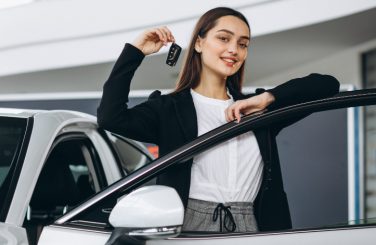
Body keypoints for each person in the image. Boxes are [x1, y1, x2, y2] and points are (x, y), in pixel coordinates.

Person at [97, 7, 339, 233]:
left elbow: (327, 84)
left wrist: (267, 98)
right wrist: (135, 51)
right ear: (199, 43)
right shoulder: (170, 109)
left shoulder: (257, 109)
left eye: (243, 44)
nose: (234, 49)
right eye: (224, 38)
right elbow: (111, 117)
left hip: (253, 224)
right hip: (188, 224)